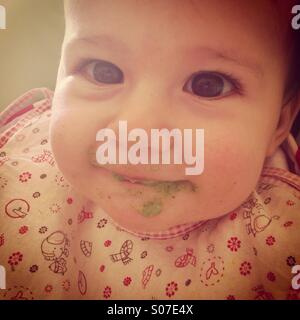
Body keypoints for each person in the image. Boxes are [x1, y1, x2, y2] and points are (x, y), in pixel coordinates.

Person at [0, 0, 299, 299]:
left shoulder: (284, 245)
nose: (136, 133)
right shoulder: (18, 179)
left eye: (207, 85)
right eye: (103, 71)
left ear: (279, 124)